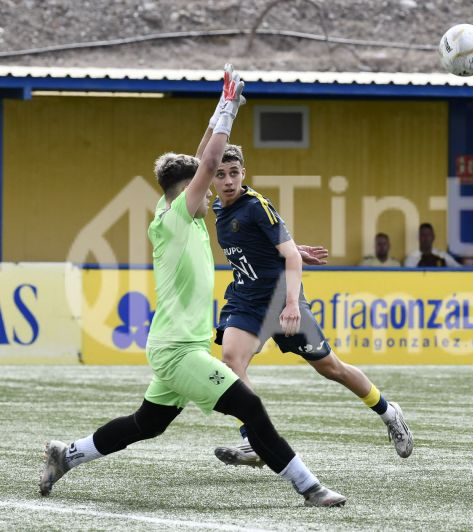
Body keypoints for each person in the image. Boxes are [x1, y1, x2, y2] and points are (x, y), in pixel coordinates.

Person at [39, 66, 346, 506]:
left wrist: (228, 106)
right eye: (204, 184)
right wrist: (227, 107)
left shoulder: (179, 217)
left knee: (147, 423)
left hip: (177, 346)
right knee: (250, 409)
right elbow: (209, 159)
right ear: (186, 191)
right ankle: (309, 486)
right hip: (179, 350)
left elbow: (204, 153)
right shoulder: (181, 216)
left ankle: (66, 454)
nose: (213, 189)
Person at [209, 144, 413, 468]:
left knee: (331, 368)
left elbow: (289, 256)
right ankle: (255, 441)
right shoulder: (217, 208)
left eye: (234, 173)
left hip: (280, 298)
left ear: (243, 173)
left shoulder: (257, 205)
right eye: (220, 174)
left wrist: (291, 304)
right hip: (245, 300)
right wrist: (285, 247)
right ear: (212, 177)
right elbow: (273, 246)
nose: (229, 180)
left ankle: (389, 412)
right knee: (232, 360)